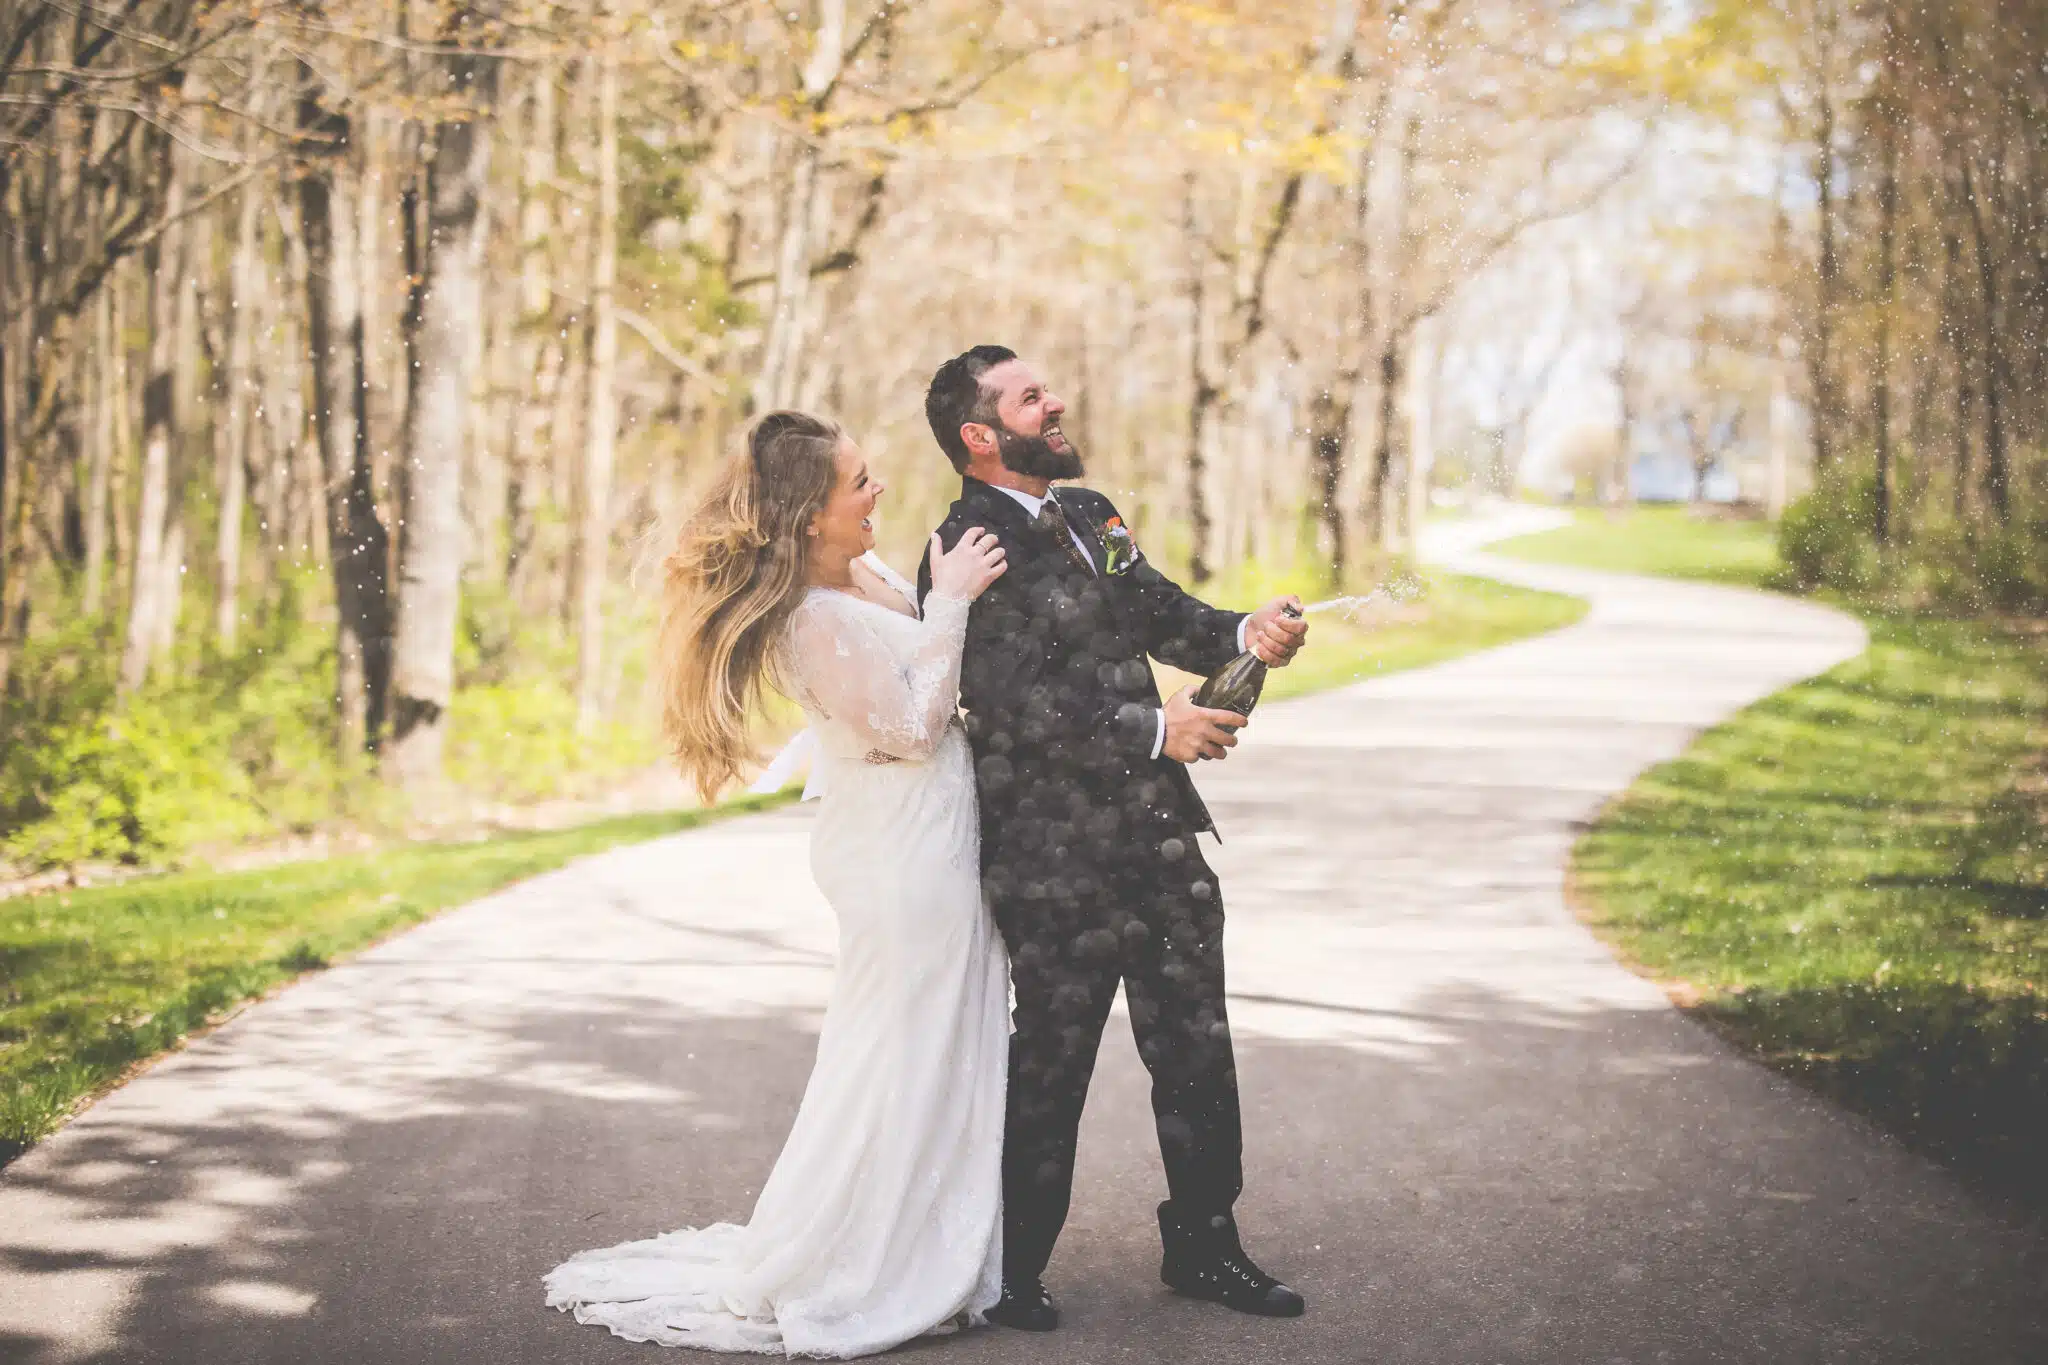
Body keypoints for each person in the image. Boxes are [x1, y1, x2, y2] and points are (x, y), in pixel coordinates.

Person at [543, 410, 1011, 1356]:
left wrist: (938, 599)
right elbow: (912, 728)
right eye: (859, 483)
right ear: (809, 517)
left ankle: (925, 1238)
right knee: (900, 1053)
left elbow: (924, 674)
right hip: (897, 853)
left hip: (934, 834)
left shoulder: (865, 576)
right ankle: (870, 1260)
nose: (878, 490)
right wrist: (952, 599)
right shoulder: (812, 618)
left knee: (940, 1041)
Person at [916, 345, 1310, 1332]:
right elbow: (1007, 705)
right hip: (1054, 862)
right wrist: (1152, 730)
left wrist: (1239, 633)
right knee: (1051, 1064)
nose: (1057, 404)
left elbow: (1158, 613)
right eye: (1029, 398)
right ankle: (1013, 1267)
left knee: (1193, 1048)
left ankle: (1205, 1246)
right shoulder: (965, 548)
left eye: (1049, 388)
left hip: (1160, 839)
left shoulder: (1090, 516)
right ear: (979, 435)